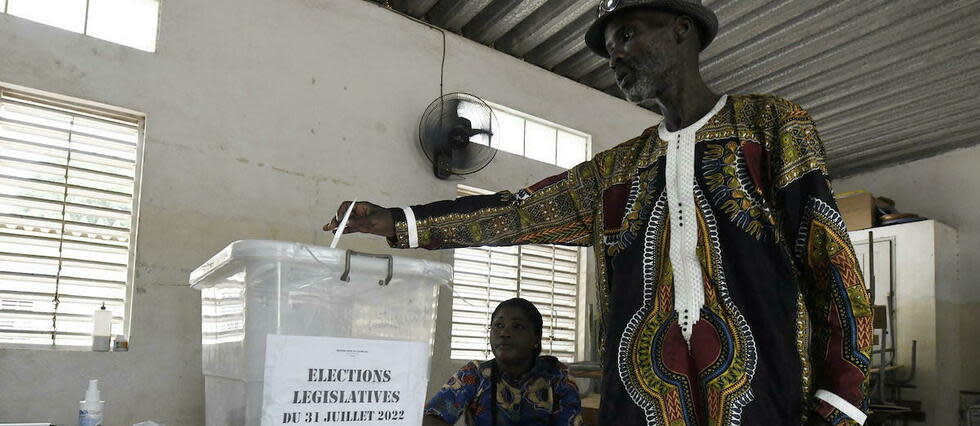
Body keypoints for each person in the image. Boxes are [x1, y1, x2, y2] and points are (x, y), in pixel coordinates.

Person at [324, 1, 872, 424]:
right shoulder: (617, 170)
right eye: (609, 47)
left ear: (683, 27)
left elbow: (834, 269)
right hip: (639, 406)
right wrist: (399, 220)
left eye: (627, 35)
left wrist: (838, 402)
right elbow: (518, 212)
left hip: (767, 404)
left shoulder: (772, 127)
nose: (615, 57)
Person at [421, 298, 583, 426]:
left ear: (536, 338)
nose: (504, 332)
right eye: (498, 325)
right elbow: (430, 418)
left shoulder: (558, 377)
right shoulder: (475, 374)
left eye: (517, 327)